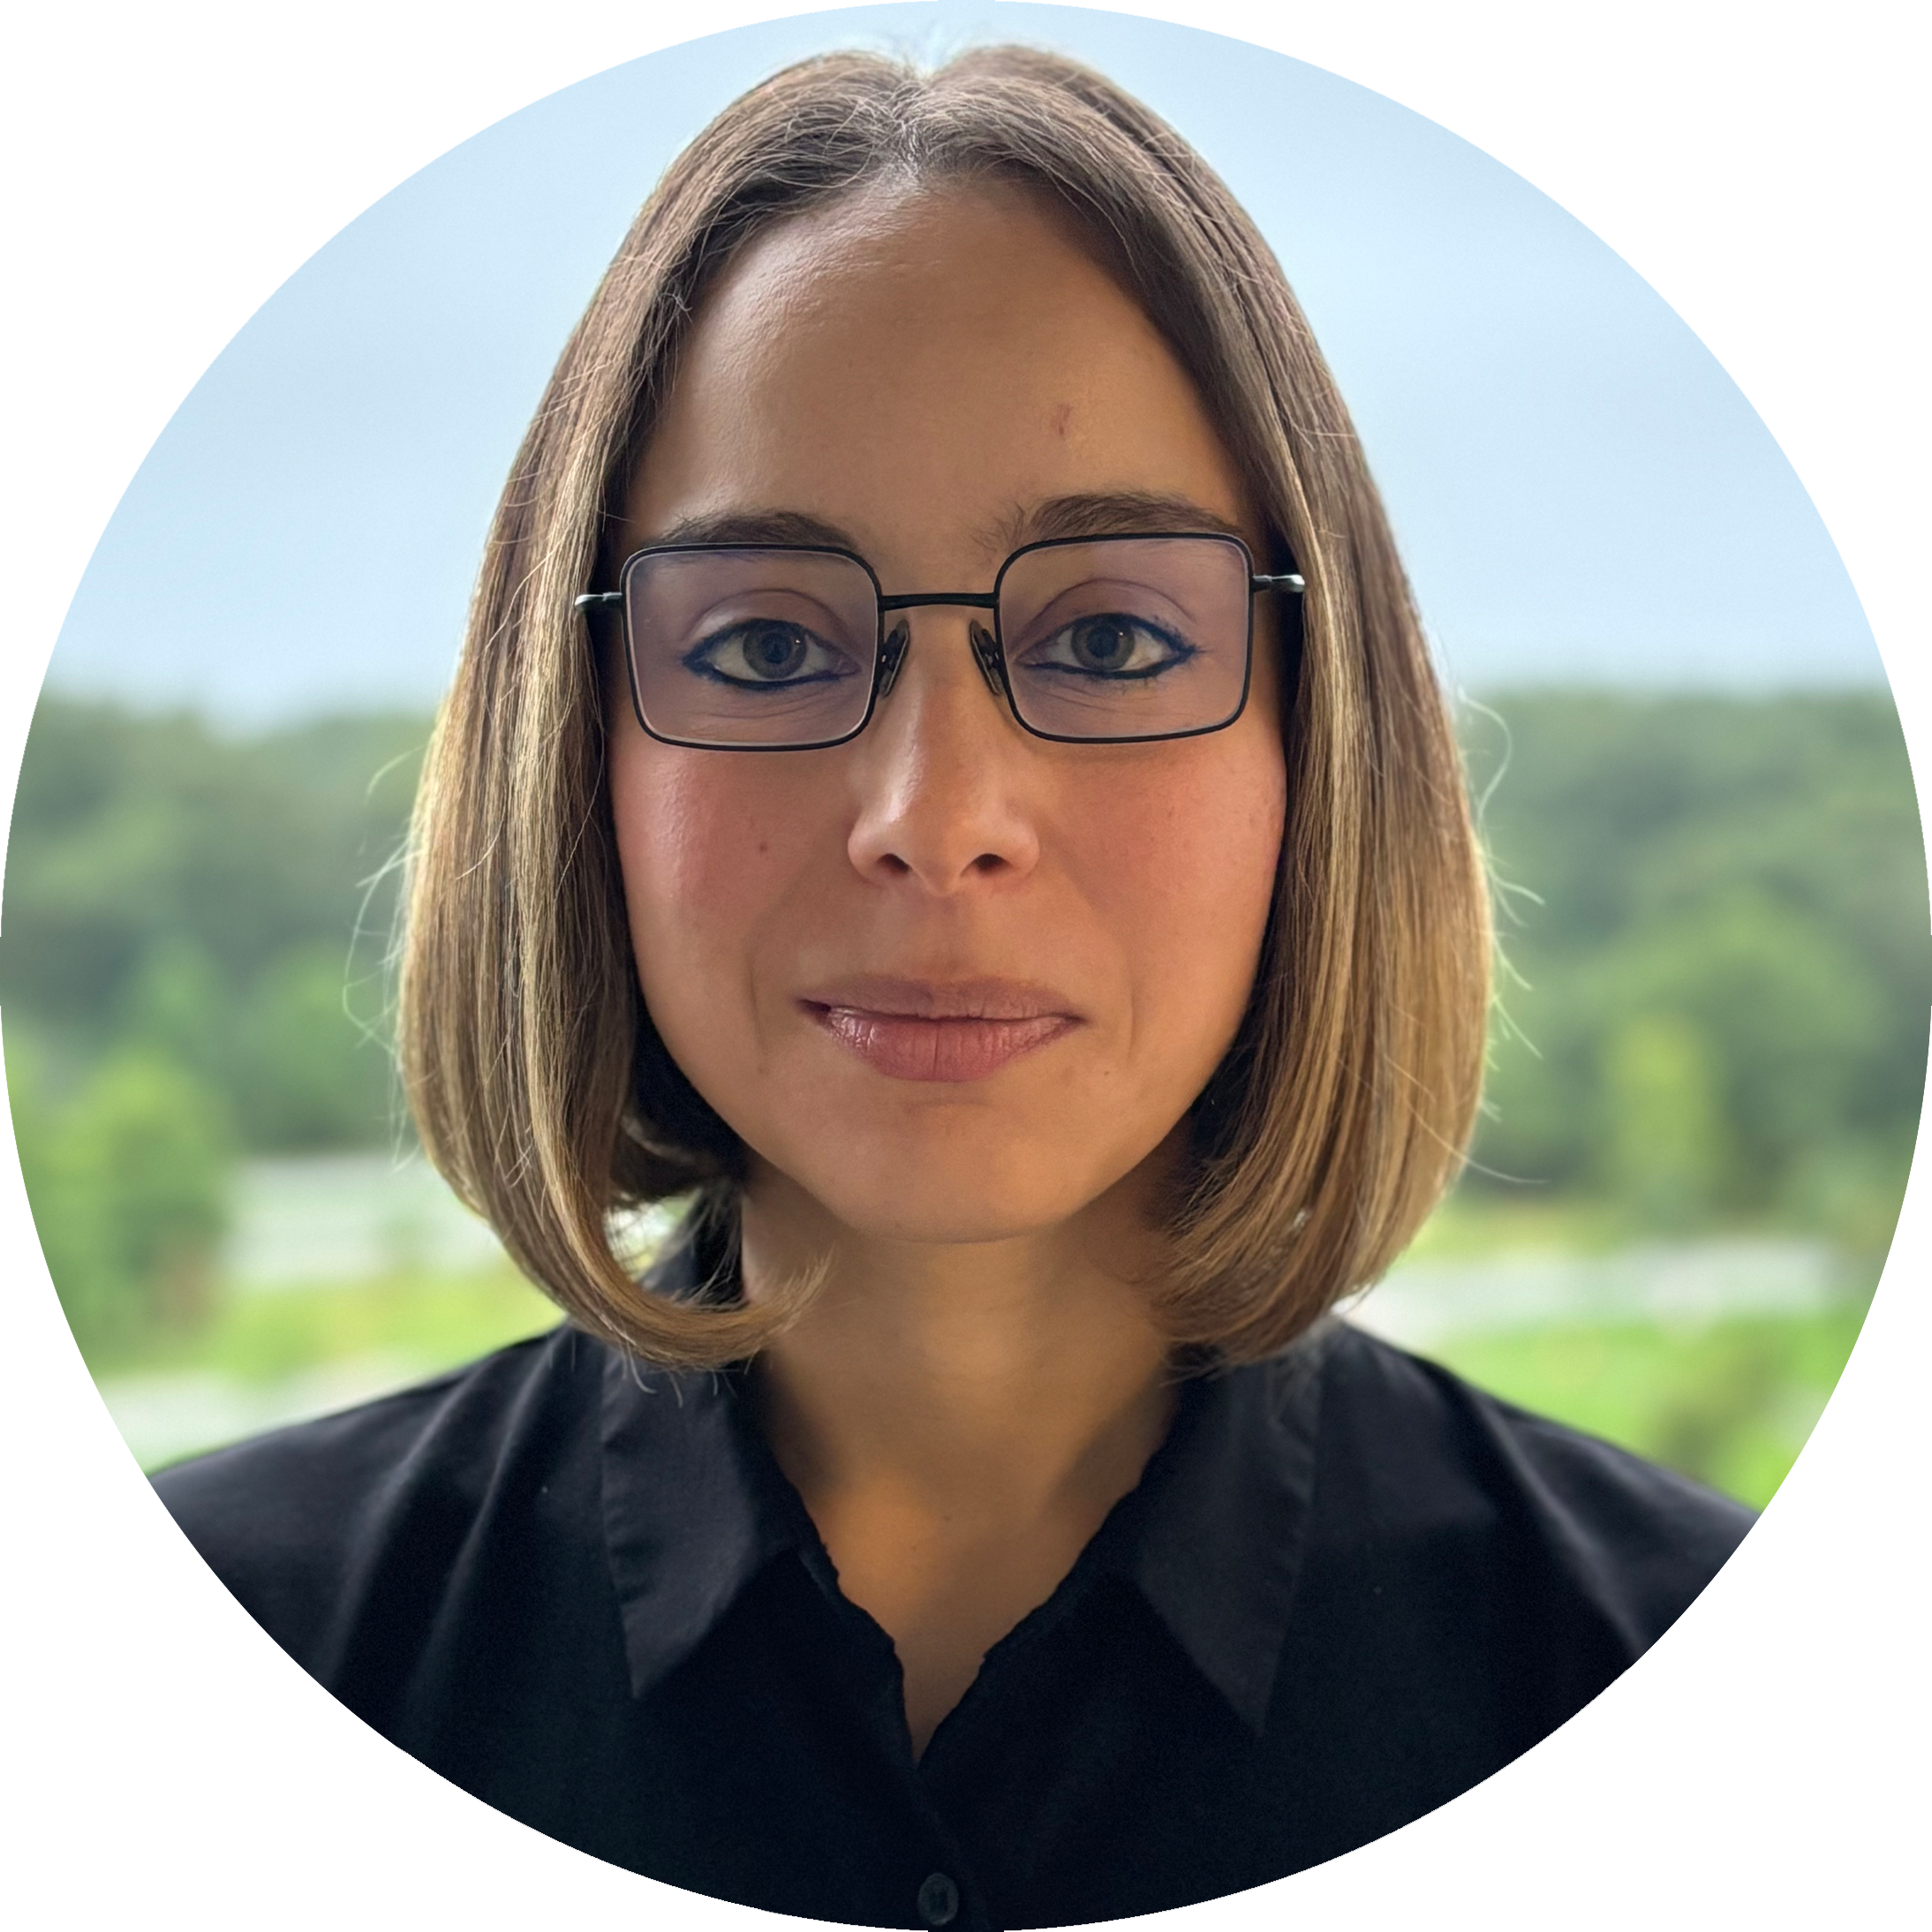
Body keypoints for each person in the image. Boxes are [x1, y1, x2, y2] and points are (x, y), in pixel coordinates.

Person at [0, 45, 1913, 1932]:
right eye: (759, 641)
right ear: (572, 746)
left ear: (1319, 746)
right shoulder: (184, 1680)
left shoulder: (1768, 1712)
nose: (936, 816)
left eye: (1103, 633)